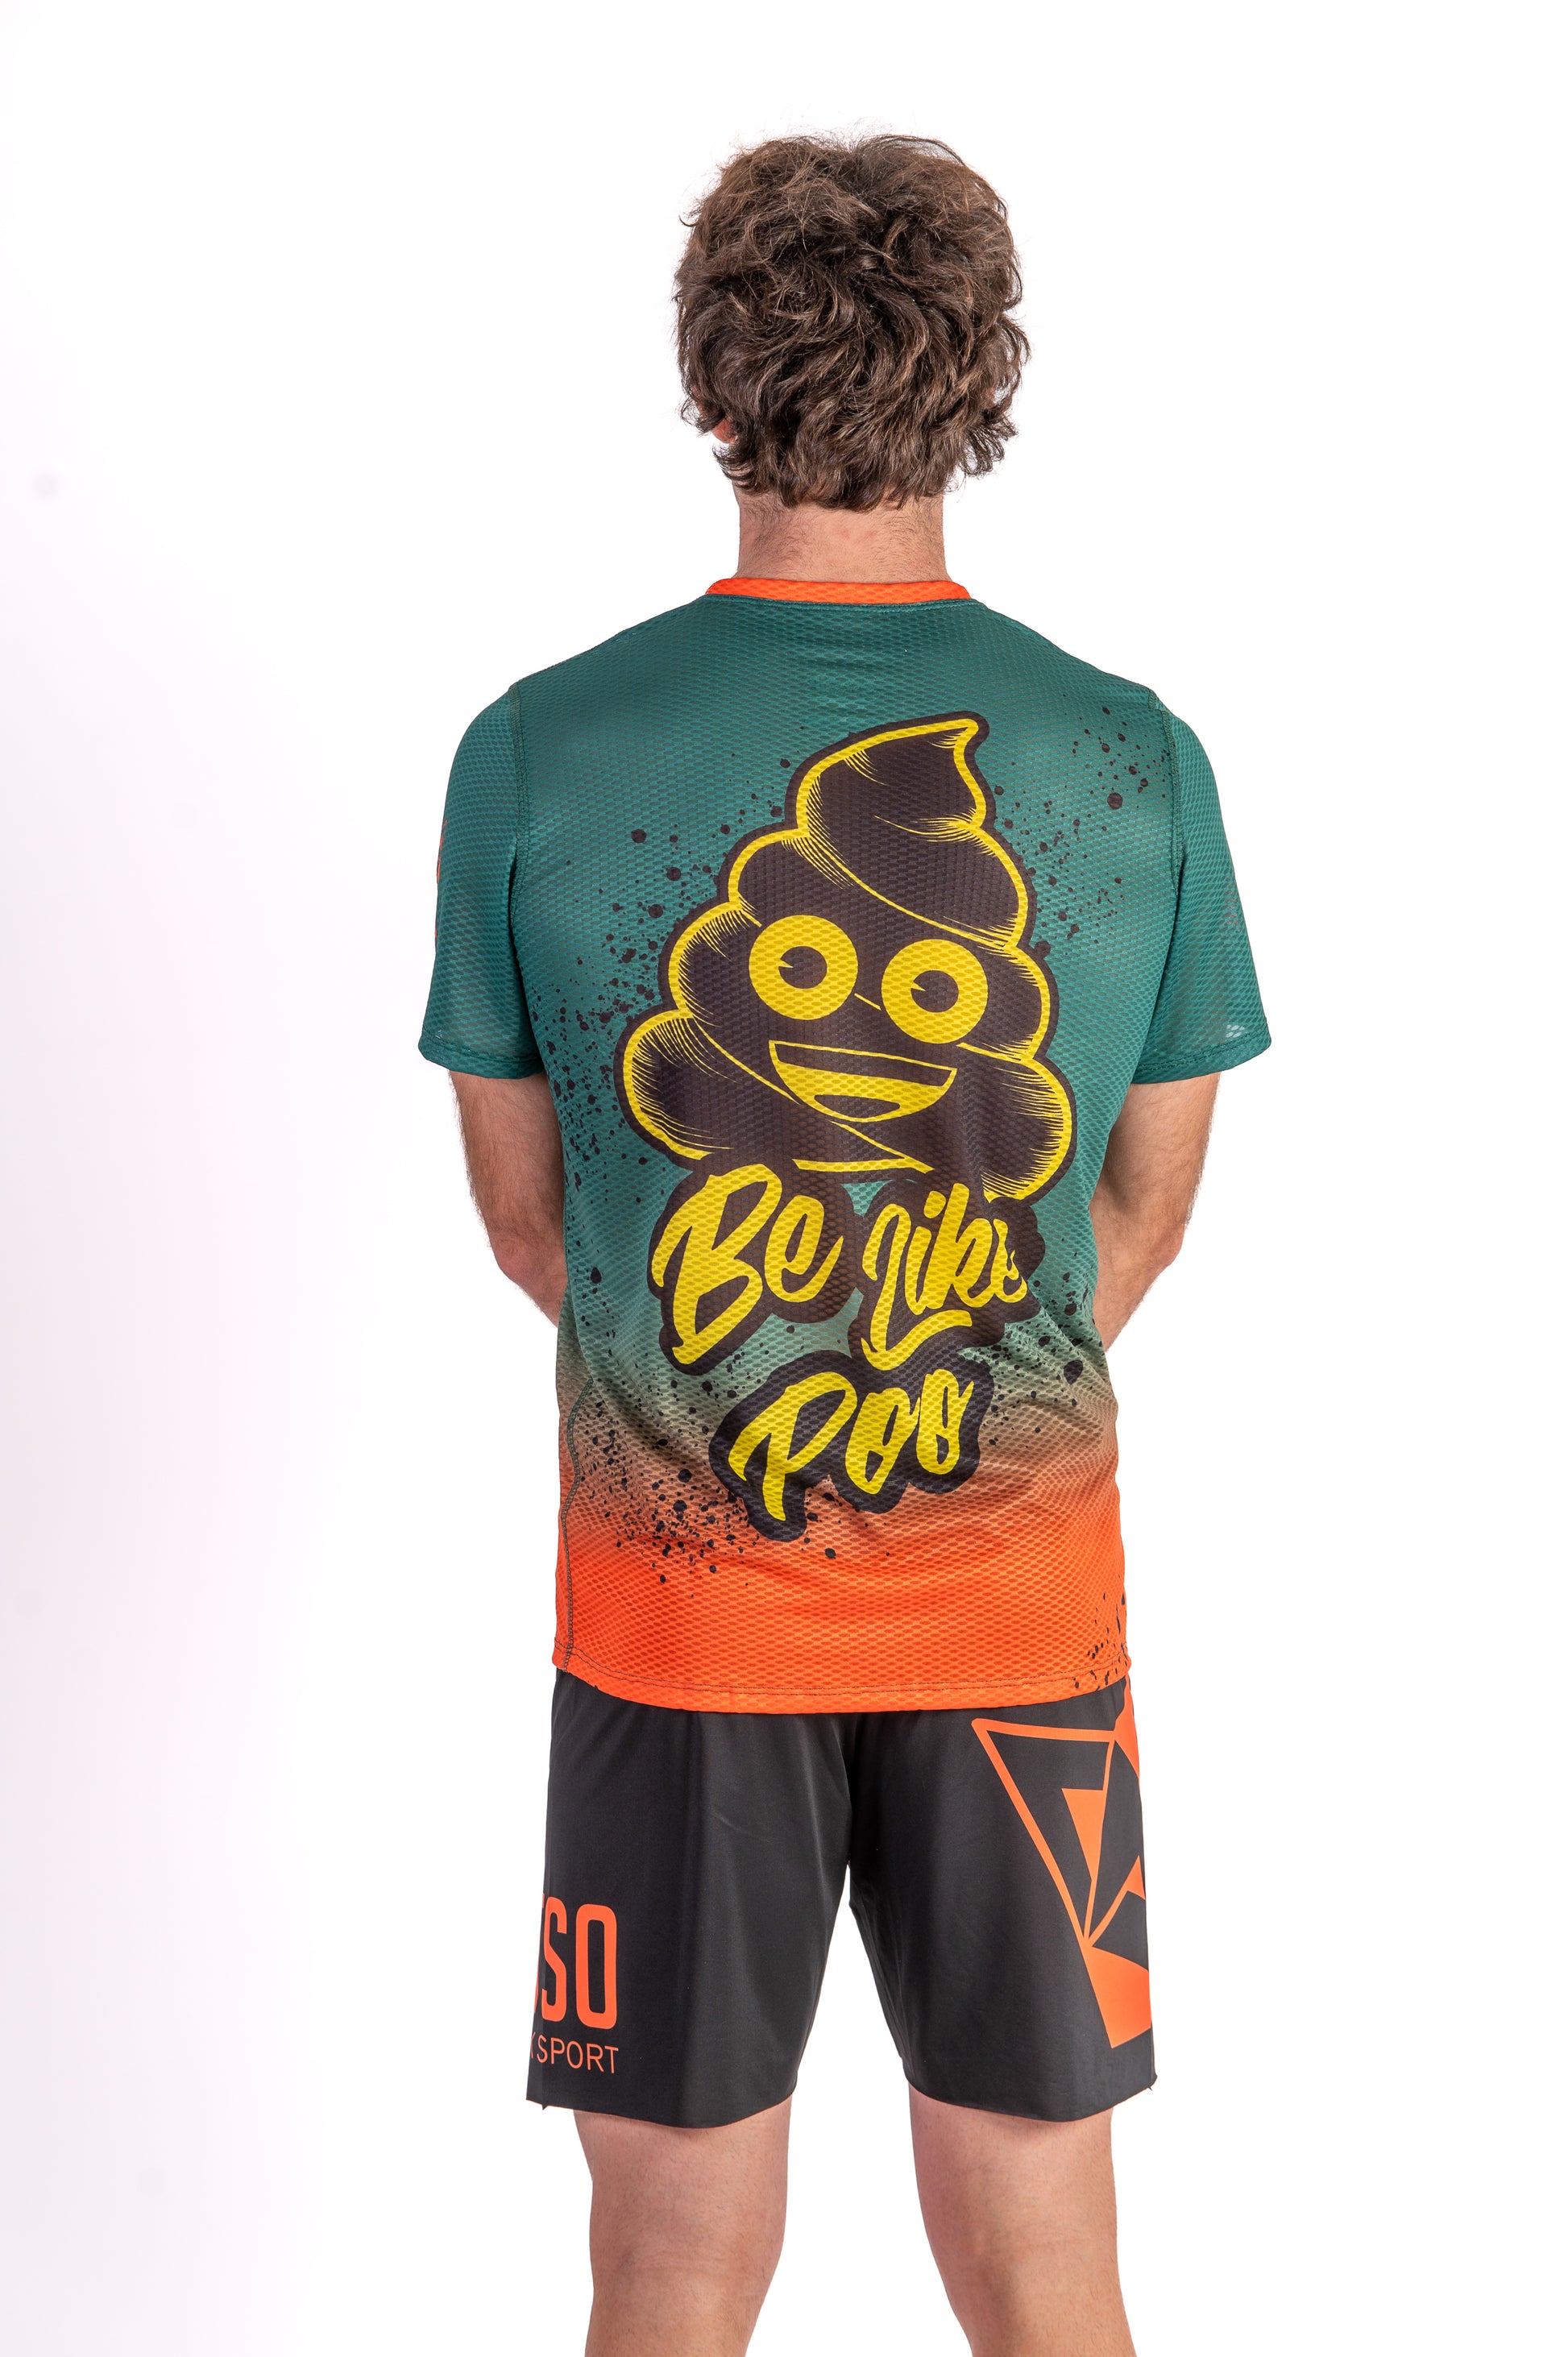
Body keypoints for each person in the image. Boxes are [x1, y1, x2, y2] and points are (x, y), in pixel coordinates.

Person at [419, 132, 1268, 2357]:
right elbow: (1138, 1212)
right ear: (983, 381)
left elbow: (532, 1220)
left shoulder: (535, 752)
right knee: (1049, 2266)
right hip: (1021, 1617)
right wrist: (955, 1368)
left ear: (710, 385)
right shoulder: (1131, 761)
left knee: (669, 2269)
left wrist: (731, 1377)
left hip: (678, 1623)